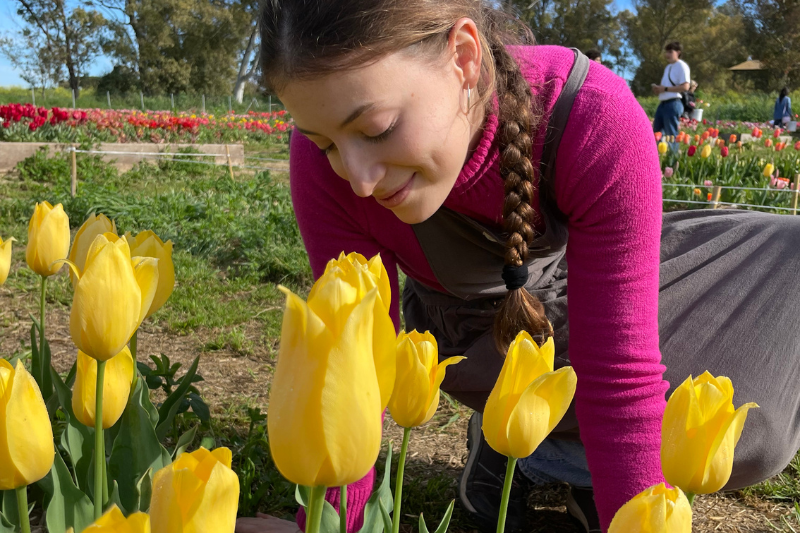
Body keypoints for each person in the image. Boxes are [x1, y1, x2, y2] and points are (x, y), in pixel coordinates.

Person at [238, 2, 800, 533]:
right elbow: (353, 361)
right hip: (473, 336)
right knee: (729, 429)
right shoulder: (326, 169)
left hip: (565, 301)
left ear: (463, 57)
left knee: (756, 417)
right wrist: (332, 520)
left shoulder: (592, 116)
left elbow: (620, 374)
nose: (357, 178)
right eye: (325, 144)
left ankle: (545, 449)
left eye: (378, 129)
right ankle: (523, 440)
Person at [651, 42, 690, 141]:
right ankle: (658, 155)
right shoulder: (668, 67)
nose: (667, 55)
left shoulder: (682, 66)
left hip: (673, 103)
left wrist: (665, 89)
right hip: (663, 103)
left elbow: (686, 86)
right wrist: (659, 89)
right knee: (656, 133)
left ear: (678, 52)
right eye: (666, 52)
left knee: (671, 134)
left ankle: (673, 156)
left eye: (670, 52)